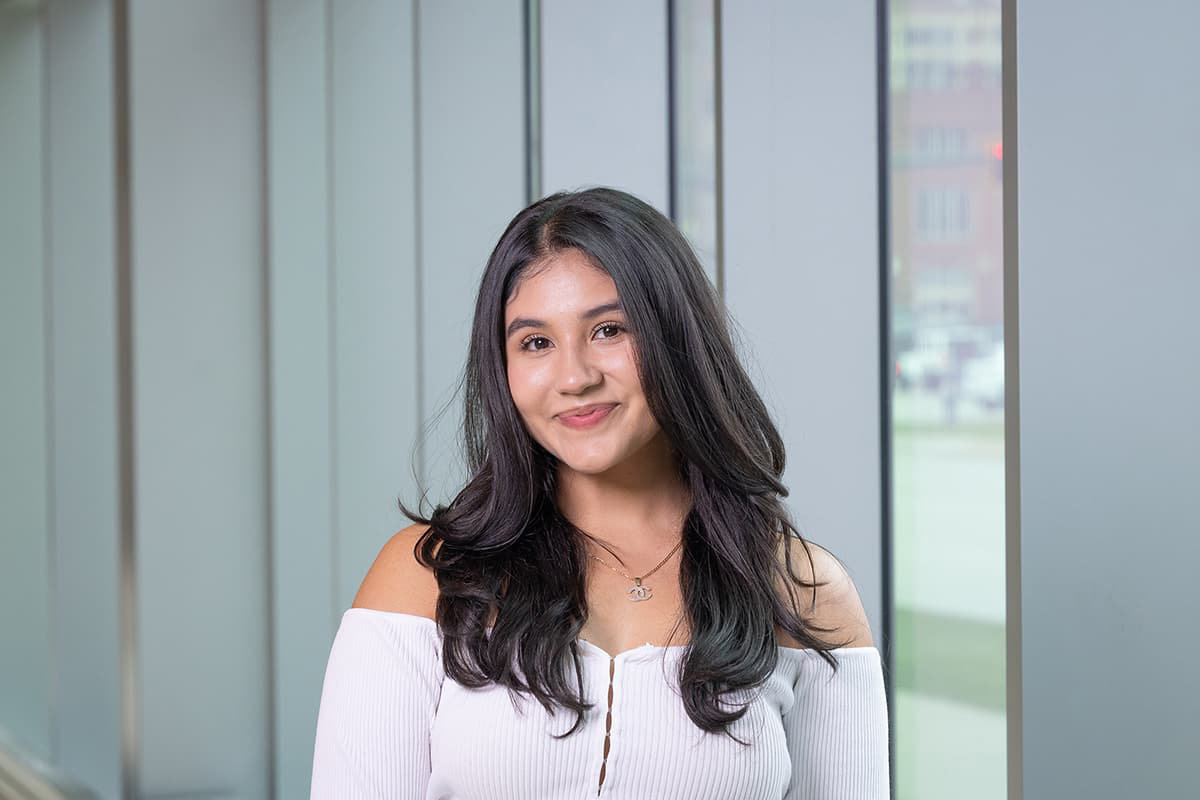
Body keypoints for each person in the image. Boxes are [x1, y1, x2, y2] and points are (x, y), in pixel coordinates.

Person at [310, 187, 890, 798]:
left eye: (609, 330)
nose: (575, 377)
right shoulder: (423, 577)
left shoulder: (800, 590)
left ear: (677, 339)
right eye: (536, 342)